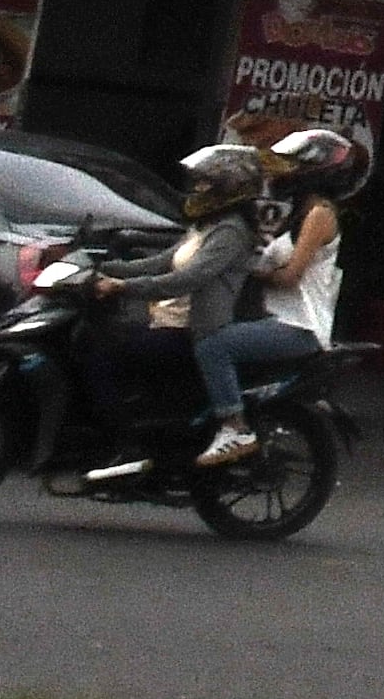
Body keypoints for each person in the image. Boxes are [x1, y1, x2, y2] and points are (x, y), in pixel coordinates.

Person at [192, 125, 364, 458]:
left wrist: (249, 269)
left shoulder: (319, 215)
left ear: (317, 171)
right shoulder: (296, 214)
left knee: (213, 346)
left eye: (294, 166)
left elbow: (290, 276)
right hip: (274, 318)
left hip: (298, 327)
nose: (286, 173)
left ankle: (235, 428)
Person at [104, 143, 271, 465]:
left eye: (206, 182)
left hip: (193, 329)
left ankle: (129, 442)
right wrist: (102, 268)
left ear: (229, 187)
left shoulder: (232, 231)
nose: (197, 187)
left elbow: (189, 278)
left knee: (109, 353)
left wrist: (122, 287)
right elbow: (162, 262)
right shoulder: (205, 225)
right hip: (166, 318)